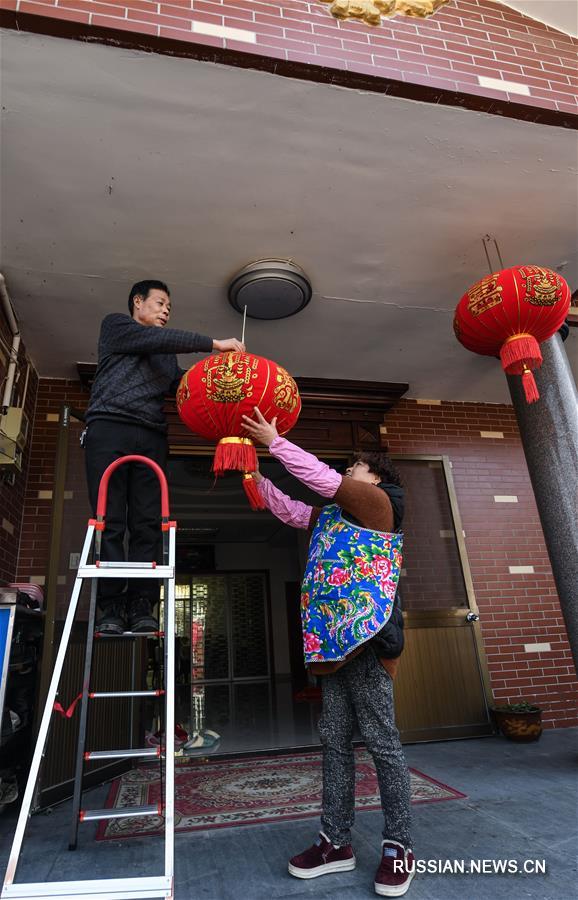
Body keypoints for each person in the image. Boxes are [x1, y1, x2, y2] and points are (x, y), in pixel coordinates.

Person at [242, 408, 414, 898]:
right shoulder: (334, 516)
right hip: (333, 646)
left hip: (368, 642)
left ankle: (399, 845)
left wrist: (275, 442)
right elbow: (292, 510)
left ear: (375, 477)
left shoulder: (382, 504)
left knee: (382, 744)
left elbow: (321, 479)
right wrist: (253, 474)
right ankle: (335, 842)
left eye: (355, 468)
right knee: (334, 741)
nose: (346, 473)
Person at [85, 279, 244, 634]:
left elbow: (185, 388)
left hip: (152, 434)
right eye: (160, 304)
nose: (165, 311)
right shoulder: (116, 326)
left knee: (146, 522)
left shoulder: (165, 353)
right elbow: (158, 339)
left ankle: (143, 606)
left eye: (168, 308)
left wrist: (227, 379)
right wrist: (214, 345)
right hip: (108, 427)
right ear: (137, 303)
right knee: (109, 520)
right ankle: (109, 608)